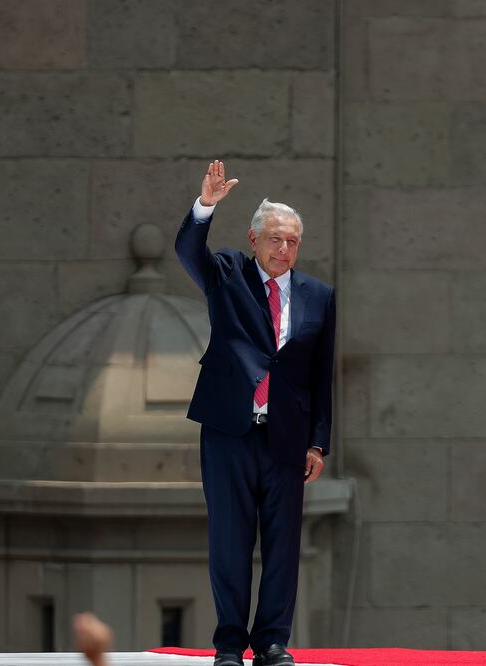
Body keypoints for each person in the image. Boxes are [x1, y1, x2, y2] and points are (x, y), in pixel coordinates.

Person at [175, 160, 336, 666]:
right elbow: (186, 250)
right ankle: (228, 645)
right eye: (274, 239)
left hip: (287, 437)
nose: (283, 249)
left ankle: (271, 641)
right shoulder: (227, 274)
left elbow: (321, 373)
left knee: (284, 546)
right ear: (253, 238)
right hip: (230, 430)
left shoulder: (319, 296)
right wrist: (205, 206)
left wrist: (318, 441)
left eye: (291, 241)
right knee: (230, 540)